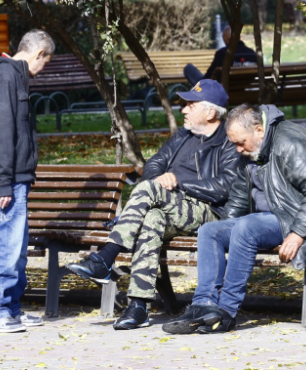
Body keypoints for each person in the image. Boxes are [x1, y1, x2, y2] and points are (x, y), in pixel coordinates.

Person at [65, 79, 241, 330]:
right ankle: (138, 306)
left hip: (209, 212)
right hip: (170, 207)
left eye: (191, 104)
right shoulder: (182, 137)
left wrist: (178, 181)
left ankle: (106, 257)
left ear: (210, 112)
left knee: (150, 189)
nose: (184, 110)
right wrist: (161, 179)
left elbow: (226, 186)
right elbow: (154, 164)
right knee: (151, 219)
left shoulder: (228, 141)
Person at [162, 103, 306, 335]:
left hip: (305, 219)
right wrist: (225, 227)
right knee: (210, 231)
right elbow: (240, 196)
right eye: (234, 144)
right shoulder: (251, 148)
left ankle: (226, 312)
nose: (238, 149)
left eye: (240, 143)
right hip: (269, 219)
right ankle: (203, 305)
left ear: (259, 130)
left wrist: (298, 233)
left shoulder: (290, 143)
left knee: (246, 227)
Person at [0, 29, 55, 333]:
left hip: (15, 176)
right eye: (45, 61)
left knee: (15, 247)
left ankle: (12, 309)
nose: (43, 68)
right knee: (7, 244)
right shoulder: (5, 77)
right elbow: (2, 133)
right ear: (38, 54)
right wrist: (3, 181)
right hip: (10, 177)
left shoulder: (10, 75)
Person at [184, 25, 257, 85]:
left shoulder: (223, 54)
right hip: (245, 88)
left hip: (224, 91)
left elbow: (209, 76)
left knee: (188, 68)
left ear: (226, 37)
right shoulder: (252, 53)